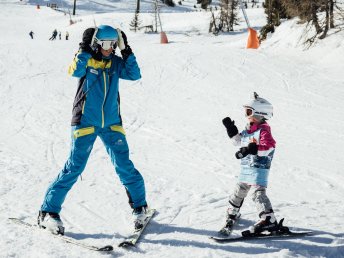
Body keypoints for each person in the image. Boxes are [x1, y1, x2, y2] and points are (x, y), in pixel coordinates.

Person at [38, 25, 148, 235]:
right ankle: (48, 212)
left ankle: (140, 207)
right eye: (106, 44)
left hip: (112, 123)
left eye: (113, 44)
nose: (110, 48)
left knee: (124, 165)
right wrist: (83, 49)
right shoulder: (87, 61)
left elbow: (134, 74)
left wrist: (127, 51)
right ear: (97, 44)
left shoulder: (116, 63)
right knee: (74, 167)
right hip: (85, 122)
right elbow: (74, 71)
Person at [220, 92, 277, 235]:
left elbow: (269, 148)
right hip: (247, 168)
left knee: (257, 195)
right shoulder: (249, 128)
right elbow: (238, 142)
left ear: (260, 113)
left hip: (259, 169)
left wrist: (252, 149)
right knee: (239, 191)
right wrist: (231, 130)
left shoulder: (263, 131)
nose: (246, 115)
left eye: (249, 112)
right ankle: (232, 214)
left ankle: (268, 220)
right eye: (246, 111)